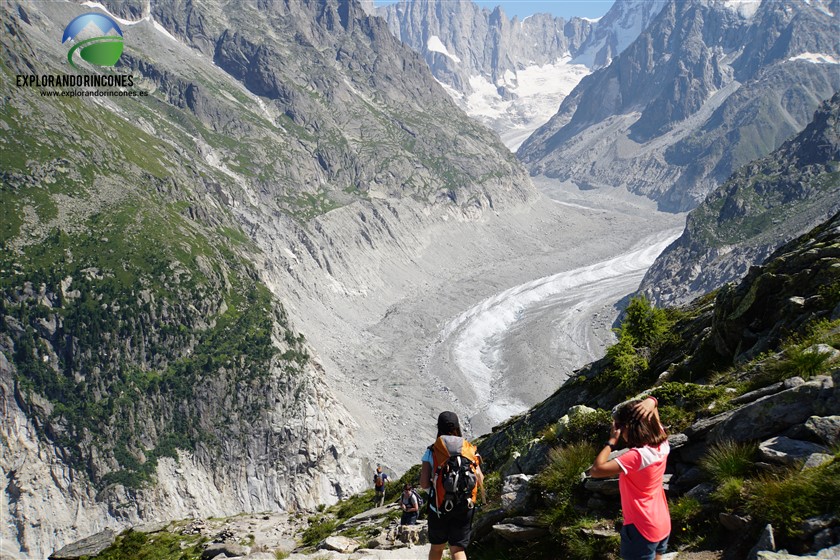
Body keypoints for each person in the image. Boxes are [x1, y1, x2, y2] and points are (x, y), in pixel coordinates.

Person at [590, 396, 670, 560]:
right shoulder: (662, 443)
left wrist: (611, 441)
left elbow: (596, 470)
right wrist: (652, 401)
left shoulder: (636, 457)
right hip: (662, 521)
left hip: (641, 526)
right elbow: (653, 416)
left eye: (620, 426)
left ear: (628, 427)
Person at [420, 411, 485, 560]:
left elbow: (423, 483)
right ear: (457, 426)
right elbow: (480, 478)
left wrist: (437, 490)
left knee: (437, 548)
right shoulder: (469, 449)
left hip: (438, 506)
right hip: (465, 505)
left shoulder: (433, 450)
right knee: (457, 549)